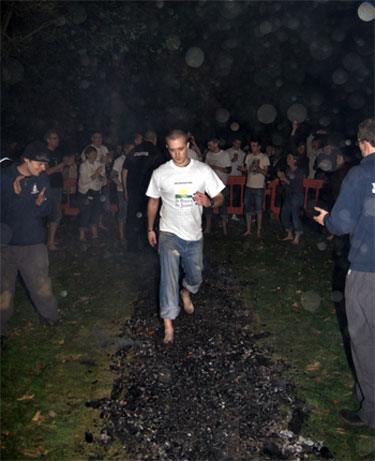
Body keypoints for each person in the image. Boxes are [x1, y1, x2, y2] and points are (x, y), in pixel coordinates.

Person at [314, 118, 375, 429]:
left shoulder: (362, 173)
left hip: (367, 272)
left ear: (363, 143)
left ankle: (371, 411)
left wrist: (326, 220)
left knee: (364, 340)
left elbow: (341, 224)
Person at [146, 130, 225, 344]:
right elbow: (153, 201)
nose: (177, 154)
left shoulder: (202, 170)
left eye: (180, 149)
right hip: (168, 233)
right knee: (168, 277)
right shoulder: (160, 173)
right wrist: (151, 229)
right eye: (172, 150)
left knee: (196, 276)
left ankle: (186, 292)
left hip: (193, 235)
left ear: (188, 145)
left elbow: (219, 197)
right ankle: (169, 325)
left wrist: (210, 203)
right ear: (167, 149)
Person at [0, 141, 59, 340]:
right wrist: (13, 196)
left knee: (42, 285)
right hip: (5, 245)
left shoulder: (41, 179)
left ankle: (50, 318)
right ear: (26, 160)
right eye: (39, 164)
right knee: (3, 291)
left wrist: (39, 204)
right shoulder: (4, 177)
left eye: (45, 164)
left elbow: (46, 210)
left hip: (33, 243)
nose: (43, 169)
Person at [122, 130, 165, 251]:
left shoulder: (133, 151)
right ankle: (149, 244)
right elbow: (162, 172)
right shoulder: (156, 151)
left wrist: (126, 190)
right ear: (154, 139)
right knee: (149, 217)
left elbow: (125, 172)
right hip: (149, 191)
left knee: (132, 217)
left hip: (133, 191)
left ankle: (132, 246)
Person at [240, 137, 270, 237]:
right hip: (248, 186)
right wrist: (243, 169)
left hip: (259, 187)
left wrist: (258, 168)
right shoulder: (248, 156)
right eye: (251, 145)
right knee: (247, 209)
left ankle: (258, 231)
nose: (252, 147)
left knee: (258, 210)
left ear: (259, 147)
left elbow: (266, 173)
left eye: (254, 146)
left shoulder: (264, 157)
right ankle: (248, 230)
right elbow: (248, 171)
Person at [204, 138, 231, 235]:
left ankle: (224, 229)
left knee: (223, 207)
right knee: (208, 206)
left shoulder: (224, 155)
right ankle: (207, 228)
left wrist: (216, 167)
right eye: (208, 145)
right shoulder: (208, 154)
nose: (209, 147)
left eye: (210, 145)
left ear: (216, 144)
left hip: (221, 186)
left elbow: (228, 170)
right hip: (209, 185)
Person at [77, 146, 103, 244]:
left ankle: (95, 235)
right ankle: (82, 236)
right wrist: (96, 174)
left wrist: (100, 176)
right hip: (85, 192)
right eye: (92, 153)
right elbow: (85, 180)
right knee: (85, 213)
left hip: (96, 191)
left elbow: (102, 178)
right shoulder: (83, 165)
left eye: (95, 153)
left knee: (95, 212)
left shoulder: (98, 164)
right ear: (87, 155)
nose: (94, 155)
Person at [277, 152, 305, 245]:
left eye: (290, 158)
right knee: (284, 214)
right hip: (289, 195)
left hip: (297, 196)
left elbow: (296, 187)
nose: (287, 159)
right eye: (287, 157)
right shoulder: (288, 170)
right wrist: (282, 179)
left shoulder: (299, 172)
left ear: (295, 160)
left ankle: (297, 236)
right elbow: (285, 185)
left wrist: (284, 179)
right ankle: (289, 234)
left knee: (295, 215)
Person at [45, 129, 65, 251]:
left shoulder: (58, 153)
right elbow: (46, 172)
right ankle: (50, 242)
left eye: (57, 138)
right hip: (49, 186)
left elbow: (60, 171)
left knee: (53, 213)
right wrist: (59, 166)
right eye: (54, 138)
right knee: (56, 214)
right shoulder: (45, 154)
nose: (57, 140)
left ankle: (50, 239)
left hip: (58, 186)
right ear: (48, 140)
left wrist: (65, 166)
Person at [225, 136, 246, 221]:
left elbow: (244, 166)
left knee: (236, 196)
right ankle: (226, 214)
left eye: (239, 144)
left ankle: (234, 214)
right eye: (236, 143)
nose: (238, 145)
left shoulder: (243, 154)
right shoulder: (227, 152)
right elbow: (224, 164)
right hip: (228, 177)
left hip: (238, 178)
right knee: (227, 195)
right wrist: (232, 161)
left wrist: (242, 169)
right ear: (233, 143)